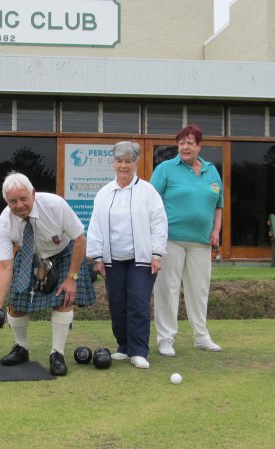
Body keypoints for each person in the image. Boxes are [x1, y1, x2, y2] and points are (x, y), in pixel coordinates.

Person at [0, 172, 96, 376]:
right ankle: (21, 348)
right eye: (13, 201)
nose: (19, 205)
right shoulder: (4, 223)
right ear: (6, 202)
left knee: (64, 301)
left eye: (23, 198)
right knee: (16, 303)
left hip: (63, 253)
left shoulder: (55, 205)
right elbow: (5, 266)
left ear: (33, 193)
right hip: (29, 255)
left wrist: (72, 278)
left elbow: (80, 240)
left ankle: (57, 354)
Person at [87, 141, 168, 369]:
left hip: (141, 258)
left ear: (135, 163)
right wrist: (97, 257)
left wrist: (157, 253)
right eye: (119, 161)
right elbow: (95, 226)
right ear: (113, 163)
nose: (124, 166)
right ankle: (123, 346)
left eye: (128, 161)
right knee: (117, 303)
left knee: (138, 302)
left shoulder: (148, 192)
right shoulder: (104, 193)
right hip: (113, 260)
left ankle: (139, 350)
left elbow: (159, 223)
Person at [150, 125, 223, 356]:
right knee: (167, 289)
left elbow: (218, 203)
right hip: (171, 240)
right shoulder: (166, 168)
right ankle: (165, 339)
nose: (185, 147)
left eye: (190, 143)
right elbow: (151, 202)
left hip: (201, 241)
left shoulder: (211, 170)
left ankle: (201, 336)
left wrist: (216, 229)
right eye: (181, 143)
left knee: (199, 290)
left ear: (199, 146)